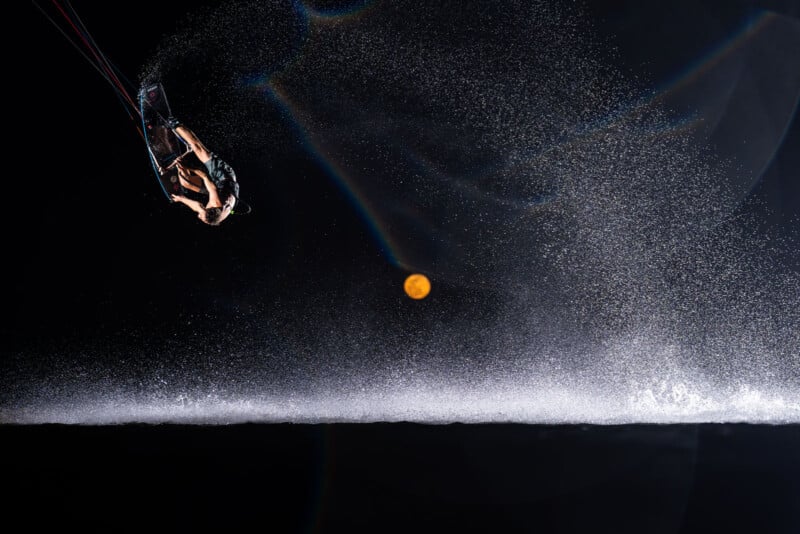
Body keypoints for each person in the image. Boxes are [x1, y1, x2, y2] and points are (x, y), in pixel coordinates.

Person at [166, 117, 240, 226]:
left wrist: (181, 199)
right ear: (209, 210)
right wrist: (188, 167)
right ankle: (174, 123)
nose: (198, 216)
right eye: (200, 217)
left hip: (220, 190)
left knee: (185, 183)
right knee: (199, 150)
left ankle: (179, 162)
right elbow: (205, 176)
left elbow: (198, 207)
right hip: (224, 176)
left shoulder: (213, 216)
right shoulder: (215, 203)